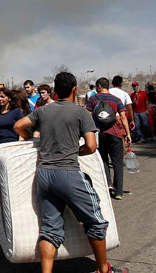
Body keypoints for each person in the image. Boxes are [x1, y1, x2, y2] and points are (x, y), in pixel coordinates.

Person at [13, 72, 127, 273]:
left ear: (55, 91)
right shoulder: (81, 113)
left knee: (50, 229)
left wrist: (31, 140)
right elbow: (91, 146)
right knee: (96, 222)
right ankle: (103, 269)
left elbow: (18, 126)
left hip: (44, 174)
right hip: (68, 173)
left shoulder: (43, 111)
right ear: (74, 89)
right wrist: (76, 151)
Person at [87, 77, 131, 200]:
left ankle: (108, 184)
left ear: (99, 86)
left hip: (100, 134)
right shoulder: (116, 100)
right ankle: (119, 192)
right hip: (115, 134)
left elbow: (88, 116)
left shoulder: (93, 99)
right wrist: (128, 134)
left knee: (104, 160)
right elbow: (123, 117)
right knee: (117, 163)